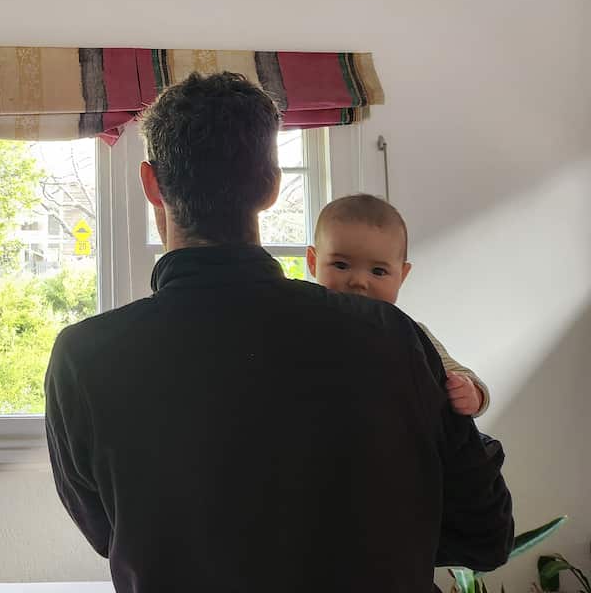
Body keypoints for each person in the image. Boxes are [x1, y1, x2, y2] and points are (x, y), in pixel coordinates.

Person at [44, 72, 513, 593]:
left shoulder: (82, 358)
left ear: (151, 183)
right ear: (271, 185)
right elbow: (485, 536)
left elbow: (113, 535)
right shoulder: (390, 336)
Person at [309, 194, 489, 417]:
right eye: (341, 265)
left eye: (378, 271)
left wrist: (471, 392)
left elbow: (460, 373)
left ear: (402, 276)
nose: (359, 281)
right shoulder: (305, 325)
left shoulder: (411, 334)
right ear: (312, 262)